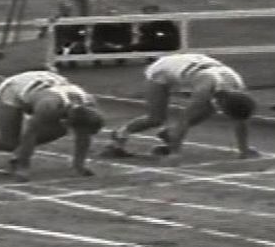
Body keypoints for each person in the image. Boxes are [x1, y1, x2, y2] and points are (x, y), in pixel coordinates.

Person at [102, 53, 258, 164]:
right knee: (156, 118)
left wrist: (244, 149)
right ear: (223, 103)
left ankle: (169, 134)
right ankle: (120, 135)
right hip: (163, 70)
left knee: (208, 110)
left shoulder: (238, 87)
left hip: (193, 66)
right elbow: (185, 118)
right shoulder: (204, 89)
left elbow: (241, 120)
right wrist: (175, 153)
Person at [0, 71, 103, 181]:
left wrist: (79, 165)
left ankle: (18, 155)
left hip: (43, 86)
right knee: (8, 142)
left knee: (59, 131)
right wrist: (23, 167)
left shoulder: (89, 103)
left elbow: (84, 135)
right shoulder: (49, 107)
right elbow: (30, 134)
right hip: (12, 90)